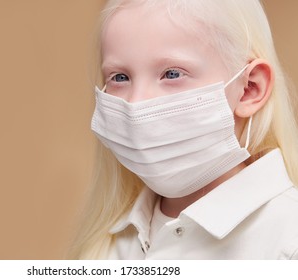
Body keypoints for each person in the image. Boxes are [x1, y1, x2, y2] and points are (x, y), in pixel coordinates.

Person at [68, 0, 298, 259]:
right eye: (120, 77)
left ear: (249, 89)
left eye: (172, 74)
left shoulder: (288, 242)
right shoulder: (109, 242)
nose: (136, 104)